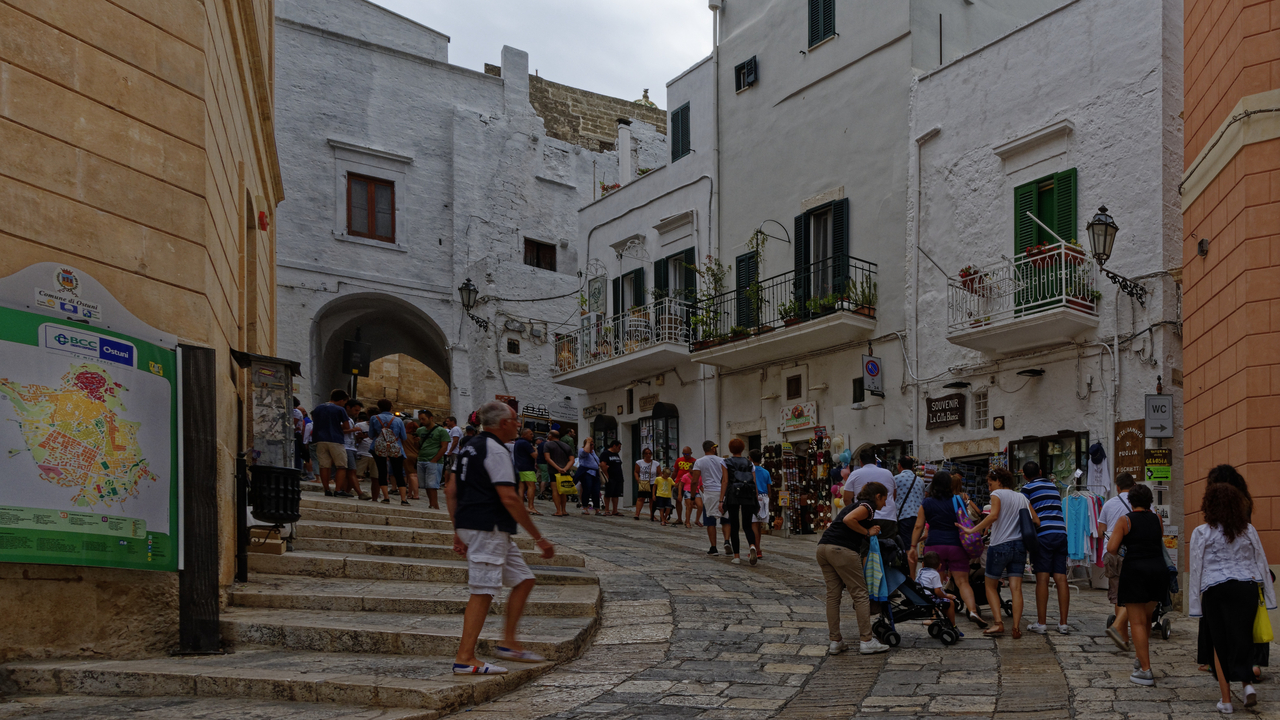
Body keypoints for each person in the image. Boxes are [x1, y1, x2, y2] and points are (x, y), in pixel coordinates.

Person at [446, 401, 556, 675]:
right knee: (482, 590)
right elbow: (509, 497)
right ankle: (465, 658)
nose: (519, 424)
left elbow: (451, 490)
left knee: (524, 579)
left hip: (479, 526)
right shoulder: (496, 450)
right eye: (515, 419)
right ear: (504, 423)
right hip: (488, 527)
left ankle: (509, 643)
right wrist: (539, 538)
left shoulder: (469, 447)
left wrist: (458, 529)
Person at [1190, 482, 1275, 713]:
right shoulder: (1248, 530)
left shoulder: (1202, 532)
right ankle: (1247, 686)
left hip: (1216, 588)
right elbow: (1261, 561)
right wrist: (1269, 595)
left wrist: (1195, 604)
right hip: (1247, 587)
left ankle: (1226, 701)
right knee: (1243, 637)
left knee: (1219, 643)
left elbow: (1196, 567)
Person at [1198, 464, 1267, 680]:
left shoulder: (1219, 505)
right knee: (1246, 625)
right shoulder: (1244, 501)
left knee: (1218, 627)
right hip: (1246, 573)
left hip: (1219, 575)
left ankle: (1220, 666)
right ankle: (1250, 667)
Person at [815, 481, 892, 656]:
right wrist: (867, 532)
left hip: (823, 548)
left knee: (833, 596)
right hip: (842, 549)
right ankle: (866, 640)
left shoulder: (855, 505)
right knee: (860, 594)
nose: (885, 504)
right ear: (877, 496)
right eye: (884, 499)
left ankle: (835, 641)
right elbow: (848, 520)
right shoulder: (868, 507)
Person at [961, 467, 1036, 639]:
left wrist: (972, 530)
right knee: (1016, 588)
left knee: (990, 586)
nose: (989, 488)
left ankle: (998, 624)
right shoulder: (1022, 497)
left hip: (1000, 545)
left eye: (990, 484)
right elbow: (1036, 520)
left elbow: (993, 515)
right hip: (1019, 546)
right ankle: (1016, 627)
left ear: (999, 481)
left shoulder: (997, 494)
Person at [1106, 483, 1167, 687]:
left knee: (1137, 623)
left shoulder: (1125, 520)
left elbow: (1111, 548)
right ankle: (1140, 659)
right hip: (1158, 570)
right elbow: (1157, 539)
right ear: (1150, 501)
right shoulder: (1157, 518)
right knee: (1147, 618)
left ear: (1131, 501)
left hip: (1135, 572)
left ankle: (1146, 670)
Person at [909, 471, 986, 628]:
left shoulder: (926, 503)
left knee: (934, 584)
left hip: (934, 546)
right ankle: (973, 611)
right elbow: (965, 519)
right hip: (956, 545)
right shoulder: (957, 500)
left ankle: (934, 615)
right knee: (963, 582)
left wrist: (912, 546)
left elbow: (918, 526)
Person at [1020, 461, 1070, 635]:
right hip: (1060, 533)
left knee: (1042, 579)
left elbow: (1025, 513)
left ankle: (1041, 623)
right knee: (1061, 578)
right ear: (1040, 472)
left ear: (1024, 476)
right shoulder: (1052, 486)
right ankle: (1063, 624)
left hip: (1043, 535)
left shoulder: (1026, 489)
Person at [1100, 472, 1136, 650]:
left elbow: (1101, 530)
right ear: (1134, 485)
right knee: (1134, 594)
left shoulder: (1108, 504)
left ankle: (1123, 636)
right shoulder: (1141, 503)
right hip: (1133, 553)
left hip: (1112, 552)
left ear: (1118, 487)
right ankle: (1125, 631)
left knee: (1117, 594)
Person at [717, 438, 759, 566]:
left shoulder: (726, 462)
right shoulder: (750, 463)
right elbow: (754, 482)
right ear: (742, 448)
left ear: (730, 449)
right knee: (747, 525)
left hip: (733, 494)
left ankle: (736, 556)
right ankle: (752, 545)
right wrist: (755, 498)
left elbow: (725, 481)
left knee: (734, 526)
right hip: (747, 494)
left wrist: (721, 500)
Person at [841, 449, 899, 538]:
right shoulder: (888, 473)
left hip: (865, 517)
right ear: (876, 461)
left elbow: (847, 498)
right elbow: (893, 495)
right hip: (888, 516)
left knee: (866, 544)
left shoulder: (855, 474)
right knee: (889, 544)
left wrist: (856, 512)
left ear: (861, 462)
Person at [691, 441, 731, 556]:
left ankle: (713, 547)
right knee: (726, 519)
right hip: (723, 492)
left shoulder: (699, 462)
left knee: (710, 521)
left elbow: (694, 481)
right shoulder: (723, 461)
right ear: (713, 449)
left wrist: (693, 497)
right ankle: (727, 541)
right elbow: (726, 478)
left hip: (709, 492)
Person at [310, 389, 352, 496]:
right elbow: (346, 426)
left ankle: (326, 489)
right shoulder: (340, 409)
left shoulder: (318, 408)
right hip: (335, 439)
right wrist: (337, 426)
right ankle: (338, 490)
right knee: (341, 465)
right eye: (344, 402)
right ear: (341, 400)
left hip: (320, 439)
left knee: (324, 465)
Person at [368, 399, 409, 506]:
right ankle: (403, 499)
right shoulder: (398, 420)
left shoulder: (374, 418)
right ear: (391, 407)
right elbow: (404, 437)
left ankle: (386, 498)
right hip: (395, 448)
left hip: (379, 448)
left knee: (382, 472)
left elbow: (371, 435)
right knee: (398, 473)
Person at [917, 551, 960, 633]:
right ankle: (952, 626)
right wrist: (947, 595)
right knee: (950, 603)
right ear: (940, 565)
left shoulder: (920, 571)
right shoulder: (935, 574)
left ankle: (935, 619)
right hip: (929, 598)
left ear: (922, 564)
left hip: (920, 596)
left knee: (940, 601)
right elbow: (937, 591)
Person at [416, 411, 450, 510]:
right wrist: (416, 442)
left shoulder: (441, 431)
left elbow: (444, 447)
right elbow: (418, 446)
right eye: (420, 419)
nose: (421, 421)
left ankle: (434, 505)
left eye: (423, 419)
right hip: (422, 459)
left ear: (431, 418)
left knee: (432, 485)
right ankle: (432, 504)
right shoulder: (420, 430)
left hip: (434, 461)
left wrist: (434, 460)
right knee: (426, 485)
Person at [894, 456, 924, 564]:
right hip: (919, 518)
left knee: (907, 547)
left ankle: (909, 572)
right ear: (912, 467)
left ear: (899, 465)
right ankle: (912, 571)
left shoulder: (895, 479)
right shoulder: (920, 481)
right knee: (913, 546)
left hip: (904, 516)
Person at [342, 400, 370, 500]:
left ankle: (345, 491)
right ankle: (359, 492)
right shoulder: (343, 418)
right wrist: (354, 430)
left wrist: (359, 436)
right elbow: (340, 430)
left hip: (352, 446)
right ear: (348, 407)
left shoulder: (350, 419)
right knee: (352, 471)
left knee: (349, 472)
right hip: (346, 447)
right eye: (356, 410)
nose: (357, 413)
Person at [542, 430, 574, 517]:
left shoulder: (548, 445)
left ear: (550, 436)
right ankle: (564, 510)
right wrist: (565, 469)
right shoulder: (566, 446)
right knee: (563, 491)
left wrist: (558, 468)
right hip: (565, 471)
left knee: (555, 490)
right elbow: (572, 460)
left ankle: (558, 511)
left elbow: (547, 458)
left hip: (554, 471)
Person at [750, 449, 772, 561]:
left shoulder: (750, 471)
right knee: (759, 525)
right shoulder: (766, 472)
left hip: (755, 497)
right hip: (764, 498)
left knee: (753, 524)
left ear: (750, 458)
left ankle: (756, 548)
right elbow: (769, 488)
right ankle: (758, 548)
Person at [512, 428, 540, 515]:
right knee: (532, 487)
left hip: (519, 467)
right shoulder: (526, 443)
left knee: (521, 487)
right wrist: (536, 450)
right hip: (527, 468)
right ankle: (530, 507)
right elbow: (534, 455)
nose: (532, 436)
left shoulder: (517, 442)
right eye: (530, 434)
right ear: (524, 435)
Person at [575, 437, 601, 515]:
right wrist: (588, 441)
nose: (592, 446)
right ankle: (585, 507)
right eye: (590, 444)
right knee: (587, 490)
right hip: (587, 472)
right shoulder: (582, 451)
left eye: (593, 444)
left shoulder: (593, 452)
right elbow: (586, 451)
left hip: (595, 473)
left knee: (596, 491)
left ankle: (597, 508)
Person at [599, 439, 624, 516]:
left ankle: (615, 510)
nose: (620, 449)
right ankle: (607, 510)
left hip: (618, 476)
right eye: (619, 447)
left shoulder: (616, 454)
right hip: (610, 477)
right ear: (614, 446)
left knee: (616, 494)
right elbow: (603, 464)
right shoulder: (605, 454)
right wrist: (606, 475)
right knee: (608, 493)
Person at [675, 447, 697, 528]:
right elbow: (675, 471)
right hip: (679, 482)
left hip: (689, 484)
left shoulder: (694, 461)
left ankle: (687, 520)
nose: (685, 455)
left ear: (691, 453)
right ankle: (679, 518)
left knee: (689, 502)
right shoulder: (679, 460)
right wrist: (674, 481)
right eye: (683, 454)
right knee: (678, 500)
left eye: (687, 454)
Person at [634, 447, 658, 520]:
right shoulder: (639, 462)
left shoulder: (656, 463)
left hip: (652, 482)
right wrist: (638, 479)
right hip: (643, 482)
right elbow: (636, 471)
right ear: (643, 454)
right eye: (646, 453)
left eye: (649, 453)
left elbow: (659, 473)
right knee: (640, 498)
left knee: (652, 499)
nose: (648, 455)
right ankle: (637, 514)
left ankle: (652, 515)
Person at [403, 419, 421, 500]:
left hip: (407, 456)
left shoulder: (405, 436)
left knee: (412, 475)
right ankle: (410, 493)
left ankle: (416, 494)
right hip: (416, 456)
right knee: (411, 475)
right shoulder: (417, 438)